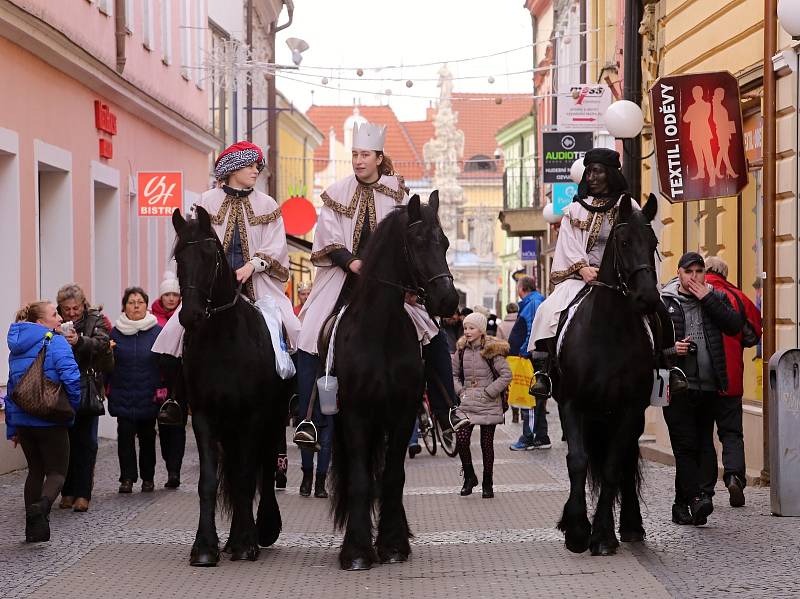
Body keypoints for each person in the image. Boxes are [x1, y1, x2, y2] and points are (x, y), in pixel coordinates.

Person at [293, 121, 468, 497]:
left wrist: (407, 283)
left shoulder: (399, 192)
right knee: (311, 334)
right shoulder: (336, 194)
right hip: (347, 277)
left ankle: (445, 408)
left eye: (365, 155)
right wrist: (356, 264)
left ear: (378, 158)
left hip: (392, 286)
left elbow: (410, 241)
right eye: (355, 154)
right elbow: (327, 241)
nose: (358, 161)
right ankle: (307, 419)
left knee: (431, 334)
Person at [527, 148, 686, 400]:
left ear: (610, 174)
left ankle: (669, 367)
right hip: (582, 277)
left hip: (622, 279)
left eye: (597, 171)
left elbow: (638, 241)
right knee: (547, 310)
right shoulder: (574, 210)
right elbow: (567, 243)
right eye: (588, 172)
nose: (591, 177)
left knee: (658, 309)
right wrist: (582, 268)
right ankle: (543, 372)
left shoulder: (629, 206)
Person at [152, 141, 300, 373]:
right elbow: (195, 241)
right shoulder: (206, 201)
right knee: (171, 335)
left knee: (293, 329)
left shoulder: (267, 204)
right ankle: (174, 398)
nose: (255, 171)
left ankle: (292, 396)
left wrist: (252, 266)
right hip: (211, 287)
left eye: (257, 166)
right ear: (233, 169)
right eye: (250, 166)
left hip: (256, 284)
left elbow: (276, 244)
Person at [660, 252, 743, 526]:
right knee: (685, 446)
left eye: (699, 271)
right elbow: (651, 347)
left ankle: (682, 505)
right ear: (679, 273)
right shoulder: (665, 302)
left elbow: (734, 326)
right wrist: (673, 350)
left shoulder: (714, 297)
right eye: (689, 271)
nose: (694, 277)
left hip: (708, 385)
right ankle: (697, 498)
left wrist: (707, 297)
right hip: (677, 386)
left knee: (704, 444)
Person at [6, 301, 80, 542]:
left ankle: (35, 532)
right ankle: (42, 507)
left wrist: (12, 426)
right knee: (57, 472)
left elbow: (11, 387)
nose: (59, 317)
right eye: (54, 314)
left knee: (35, 472)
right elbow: (71, 376)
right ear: (40, 322)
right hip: (50, 418)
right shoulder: (55, 341)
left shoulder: (15, 348)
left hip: (24, 421)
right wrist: (72, 406)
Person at [701, 256, 762, 507]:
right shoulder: (737, 296)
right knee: (732, 433)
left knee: (702, 434)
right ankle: (735, 477)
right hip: (732, 376)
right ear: (725, 273)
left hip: (702, 378)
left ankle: (703, 490)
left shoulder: (696, 292)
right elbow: (754, 334)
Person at [56, 283, 112, 513]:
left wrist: (79, 341)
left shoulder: (94, 320)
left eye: (75, 308)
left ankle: (83, 493)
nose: (71, 313)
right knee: (65, 444)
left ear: (83, 305)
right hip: (62, 390)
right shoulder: (56, 322)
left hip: (87, 388)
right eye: (67, 309)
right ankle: (66, 491)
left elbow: (102, 344)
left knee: (86, 443)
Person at [108, 287, 163, 494]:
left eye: (140, 302)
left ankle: (148, 478)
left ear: (146, 305)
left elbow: (165, 363)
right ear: (125, 306)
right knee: (125, 437)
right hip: (123, 393)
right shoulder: (115, 332)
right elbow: (108, 363)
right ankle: (127, 478)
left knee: (148, 438)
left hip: (149, 394)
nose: (136, 306)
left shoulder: (156, 331)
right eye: (131, 302)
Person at [452, 312, 512, 499]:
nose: (467, 332)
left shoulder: (492, 350)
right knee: (461, 439)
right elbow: (453, 375)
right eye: (465, 328)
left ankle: (488, 482)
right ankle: (469, 477)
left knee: (487, 444)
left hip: (488, 403)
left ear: (481, 330)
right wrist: (461, 391)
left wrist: (489, 392)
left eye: (472, 328)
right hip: (467, 402)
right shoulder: (461, 350)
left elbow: (506, 375)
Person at [150, 271, 186, 489]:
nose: (171, 298)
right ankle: (168, 464)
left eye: (175, 294)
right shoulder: (152, 319)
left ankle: (175, 470)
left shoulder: (185, 316)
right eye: (167, 294)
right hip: (158, 381)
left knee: (178, 426)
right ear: (161, 297)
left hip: (180, 382)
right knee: (163, 427)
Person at [508, 276, 547, 450]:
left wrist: (524, 351)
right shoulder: (533, 301)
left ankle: (528, 437)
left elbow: (532, 329)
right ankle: (542, 437)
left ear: (522, 288)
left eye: (518, 286)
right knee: (537, 398)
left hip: (530, 358)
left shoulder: (533, 302)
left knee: (529, 398)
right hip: (530, 357)